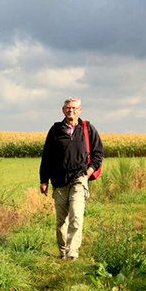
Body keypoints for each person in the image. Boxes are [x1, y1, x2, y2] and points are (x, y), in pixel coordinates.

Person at [40, 97, 104, 261]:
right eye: (68, 108)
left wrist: (88, 173)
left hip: (79, 179)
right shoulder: (55, 130)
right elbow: (46, 156)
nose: (71, 110)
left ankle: (72, 253)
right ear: (63, 110)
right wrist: (44, 180)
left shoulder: (87, 129)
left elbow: (98, 154)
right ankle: (63, 252)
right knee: (61, 220)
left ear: (80, 110)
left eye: (74, 108)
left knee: (76, 217)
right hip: (59, 181)